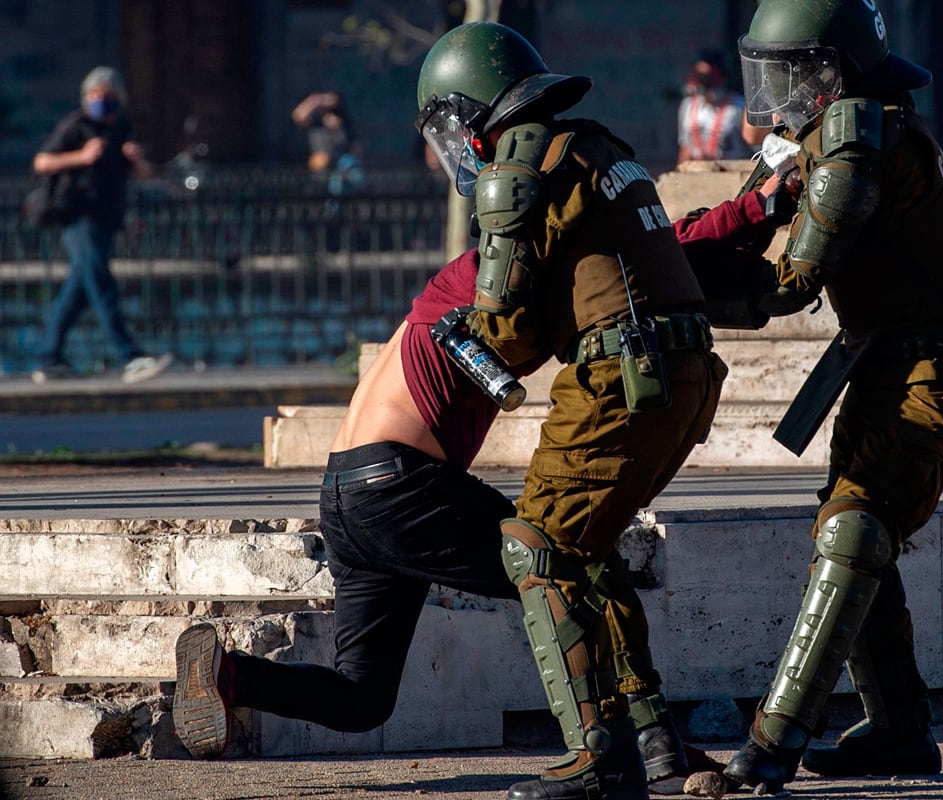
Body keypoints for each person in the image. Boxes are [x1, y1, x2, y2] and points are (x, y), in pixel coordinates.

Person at [171, 140, 776, 800]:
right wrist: (759, 207)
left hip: (345, 493)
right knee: (565, 569)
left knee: (362, 697)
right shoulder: (495, 271)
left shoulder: (462, 282)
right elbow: (668, 246)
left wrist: (753, 217)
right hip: (403, 485)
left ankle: (231, 677)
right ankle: (653, 748)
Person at [415, 21, 728, 800]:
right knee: (587, 549)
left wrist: (466, 335)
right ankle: (653, 741)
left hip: (622, 377)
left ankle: (596, 757)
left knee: (534, 548)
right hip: (681, 372)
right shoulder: (590, 144)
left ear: (470, 111)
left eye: (452, 129)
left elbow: (511, 335)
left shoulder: (515, 167)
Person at [718, 0, 943, 793]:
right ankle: (901, 733)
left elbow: (791, 282)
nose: (773, 90)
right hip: (888, 363)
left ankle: (773, 744)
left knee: (853, 531)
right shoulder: (839, 132)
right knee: (852, 524)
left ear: (829, 70)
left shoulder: (855, 139)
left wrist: (677, 294)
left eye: (788, 71)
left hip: (934, 368)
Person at [30, 66, 173, 385]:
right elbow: (42, 162)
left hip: (106, 218)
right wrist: (80, 157)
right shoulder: (75, 126)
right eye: (95, 96)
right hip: (77, 216)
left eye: (106, 96)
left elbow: (143, 174)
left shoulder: (121, 127)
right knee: (102, 284)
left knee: (78, 291)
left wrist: (136, 160)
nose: (100, 101)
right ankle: (130, 355)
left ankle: (48, 357)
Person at [677, 49, 751, 164]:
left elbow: (753, 146)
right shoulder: (688, 106)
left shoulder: (738, 106)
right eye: (699, 76)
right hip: (698, 171)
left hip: (732, 171)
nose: (703, 83)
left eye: (708, 77)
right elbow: (685, 146)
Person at [292, 90, 360, 175]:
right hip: (321, 164)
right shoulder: (316, 120)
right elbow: (298, 117)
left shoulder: (344, 119)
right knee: (319, 160)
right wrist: (313, 102)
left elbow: (356, 145)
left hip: (342, 164)